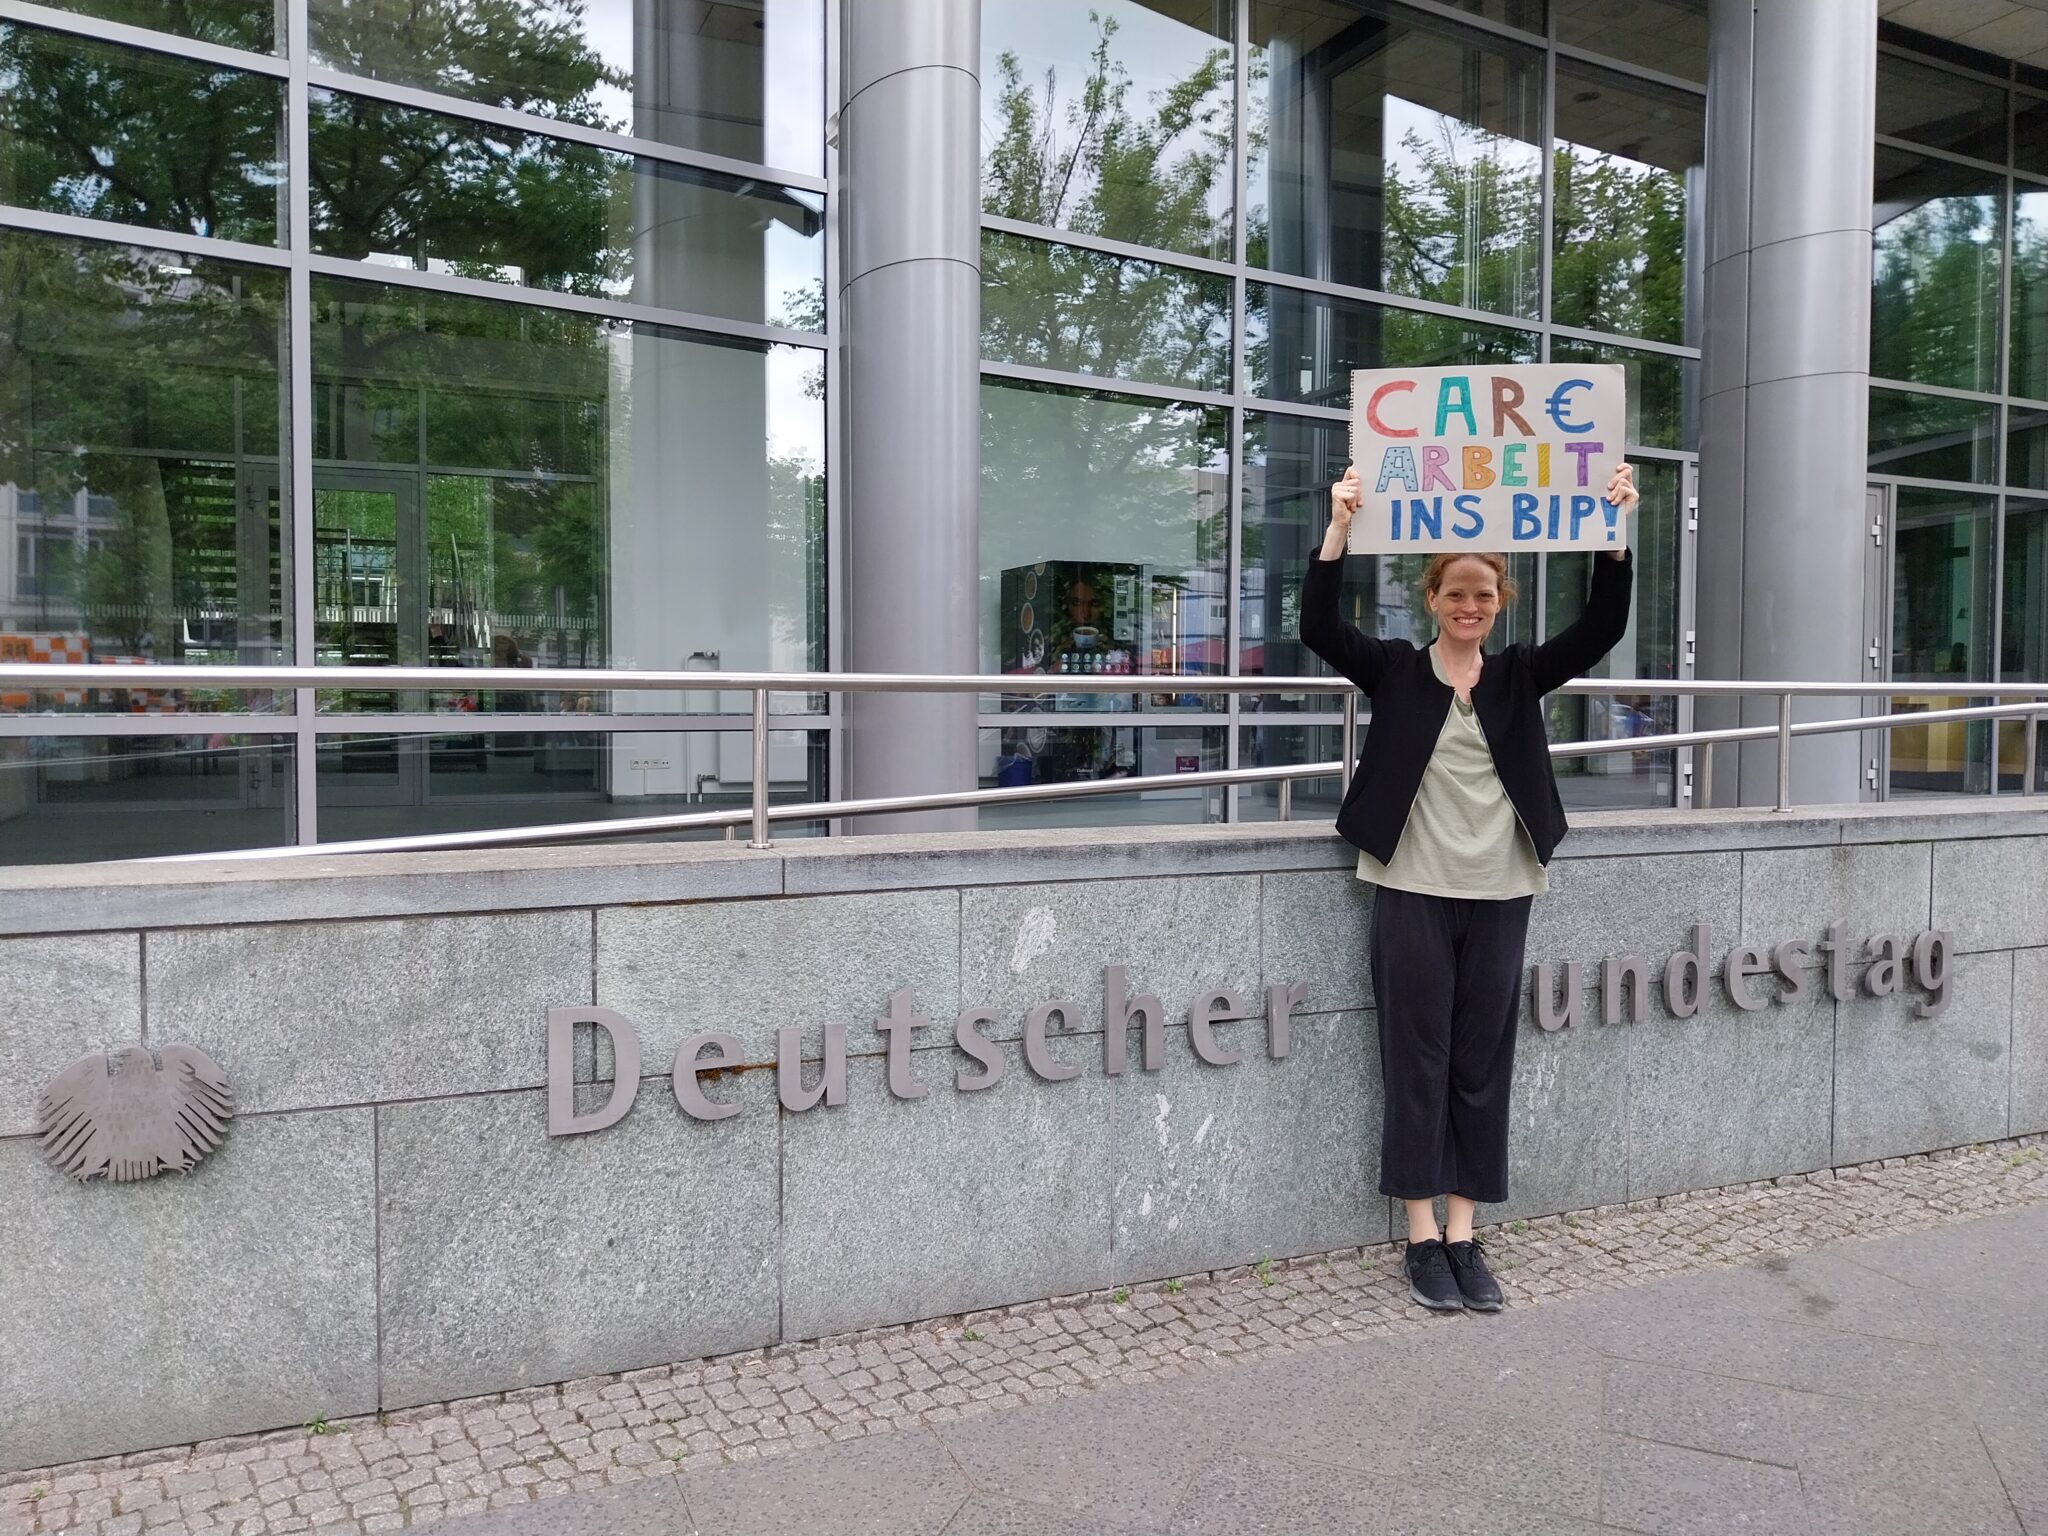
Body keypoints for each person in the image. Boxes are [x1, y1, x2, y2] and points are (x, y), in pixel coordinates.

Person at [1301, 461, 1639, 1313]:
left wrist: (1613, 531)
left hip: (1501, 889)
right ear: (1432, 598)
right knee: (1416, 1061)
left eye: (1483, 595)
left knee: (1481, 1062)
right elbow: (1317, 626)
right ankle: (1421, 1239)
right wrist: (1338, 527)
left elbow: (1603, 624)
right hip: (1411, 887)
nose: (1469, 606)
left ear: (1499, 603)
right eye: (1455, 593)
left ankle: (1464, 1235)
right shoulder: (1395, 670)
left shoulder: (1521, 675)